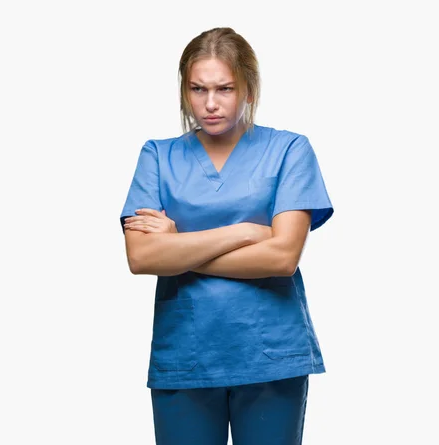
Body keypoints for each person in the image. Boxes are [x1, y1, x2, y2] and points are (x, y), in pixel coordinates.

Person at [119, 27, 334, 445]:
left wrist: (177, 244)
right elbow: (141, 258)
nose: (210, 103)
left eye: (225, 88)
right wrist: (245, 232)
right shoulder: (157, 156)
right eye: (198, 89)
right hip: (186, 355)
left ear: (249, 88)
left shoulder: (290, 150)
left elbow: (282, 258)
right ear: (184, 91)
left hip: (270, 356)